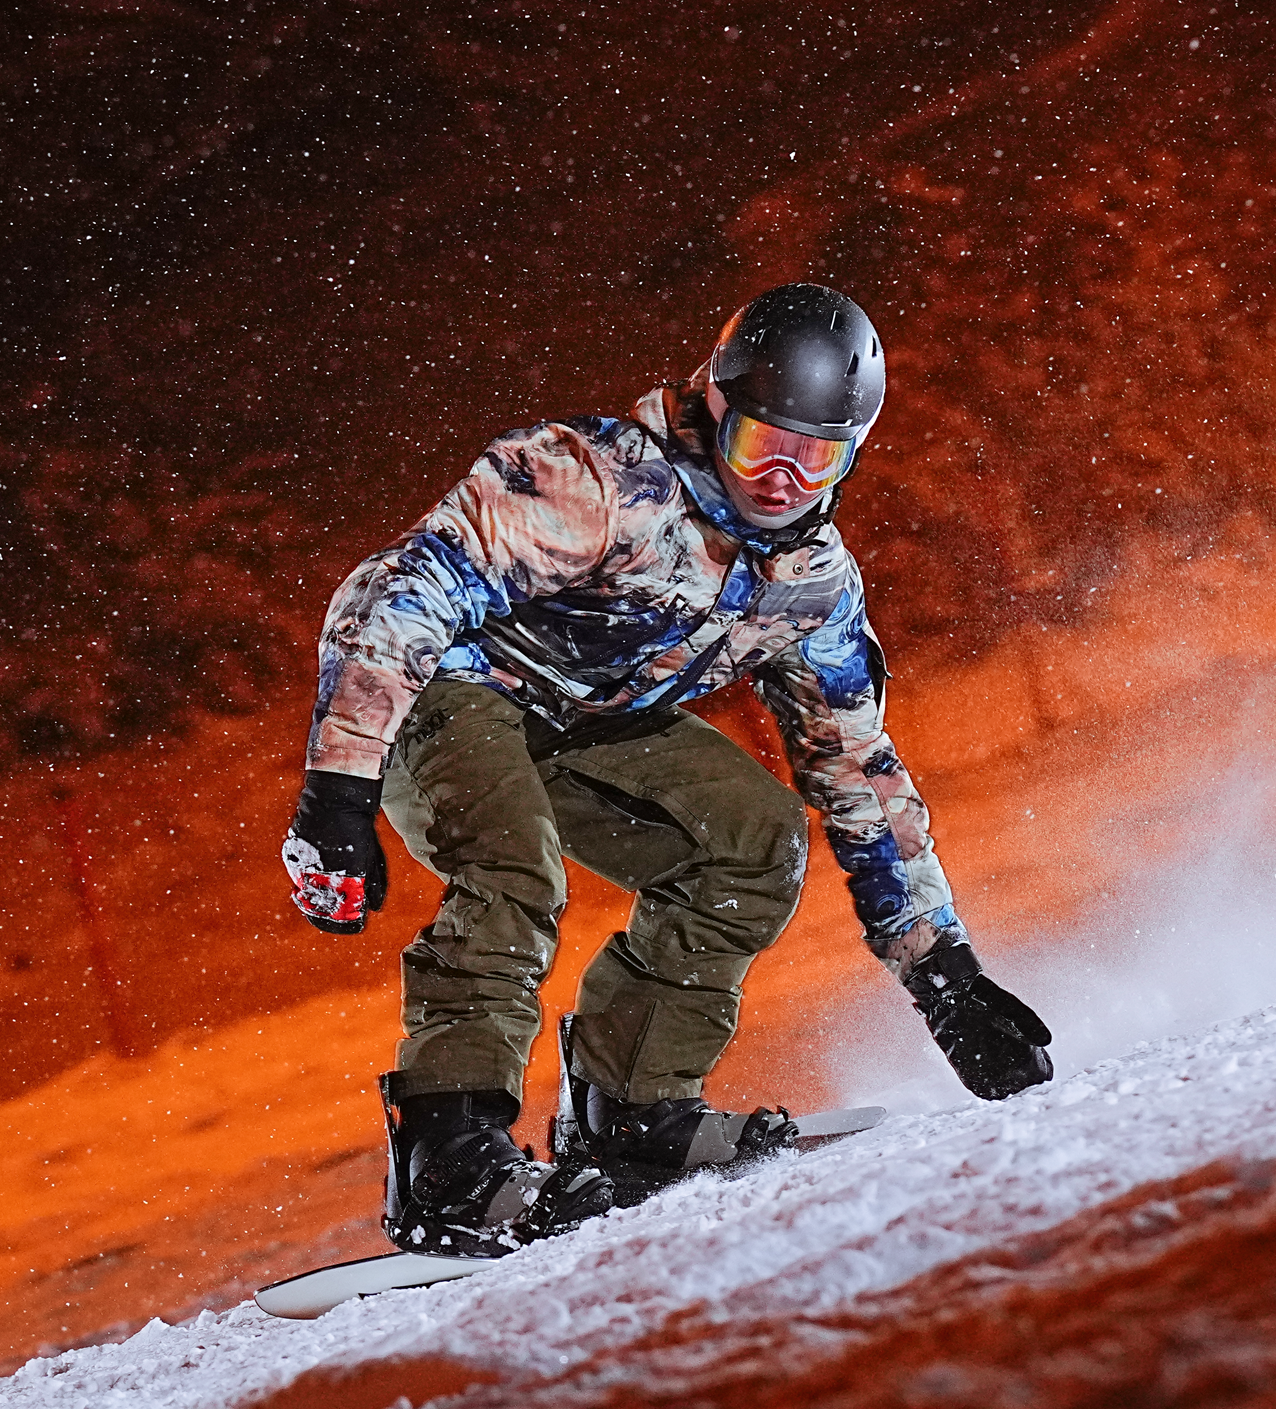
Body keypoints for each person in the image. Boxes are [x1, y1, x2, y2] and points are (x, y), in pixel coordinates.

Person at [282, 283, 1054, 1255]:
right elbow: (410, 593)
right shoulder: (596, 482)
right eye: (758, 445)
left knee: (752, 838)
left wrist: (941, 975)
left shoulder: (809, 587)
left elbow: (855, 771)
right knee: (513, 864)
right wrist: (338, 790)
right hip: (443, 675)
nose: (779, 480)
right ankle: (447, 1155)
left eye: (813, 458)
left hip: (587, 711)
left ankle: (631, 1112)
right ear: (714, 409)